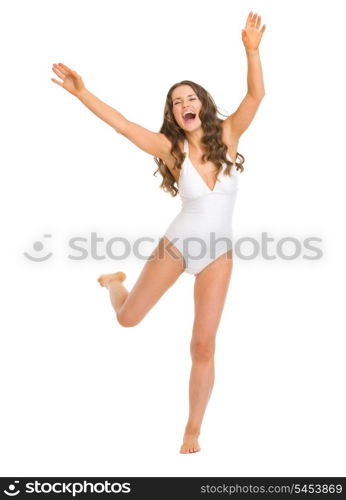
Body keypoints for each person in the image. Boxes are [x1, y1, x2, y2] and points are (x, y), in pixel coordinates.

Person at [51, 11, 266, 454]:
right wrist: (82, 93)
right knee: (128, 319)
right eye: (174, 102)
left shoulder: (229, 135)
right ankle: (115, 284)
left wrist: (251, 49)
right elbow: (123, 125)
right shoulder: (171, 149)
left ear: (201, 104)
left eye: (189, 98)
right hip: (177, 247)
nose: (182, 104)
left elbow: (255, 94)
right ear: (173, 114)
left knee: (202, 345)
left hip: (219, 255)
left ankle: (192, 428)